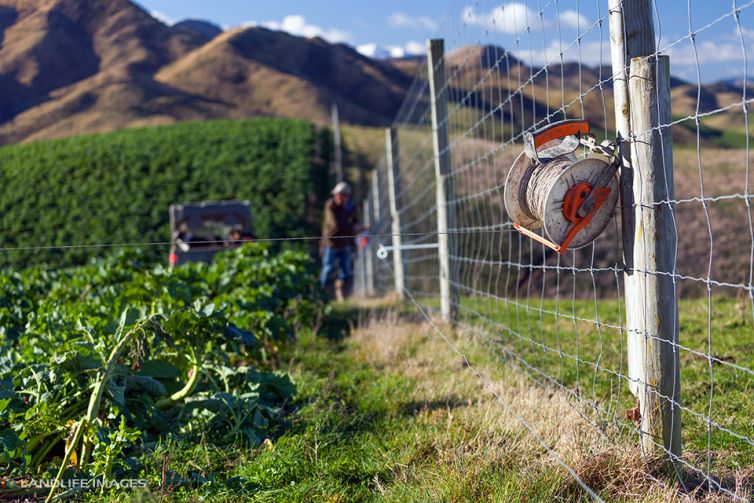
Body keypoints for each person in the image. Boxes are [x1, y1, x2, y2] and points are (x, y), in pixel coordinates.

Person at [319, 181, 364, 301]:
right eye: (336, 195)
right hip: (331, 243)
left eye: (340, 195)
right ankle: (320, 294)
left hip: (345, 243)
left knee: (346, 271)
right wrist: (353, 228)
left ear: (346, 196)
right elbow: (335, 224)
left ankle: (340, 291)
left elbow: (355, 222)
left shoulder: (351, 207)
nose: (337, 197)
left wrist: (358, 228)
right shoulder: (330, 205)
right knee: (328, 269)